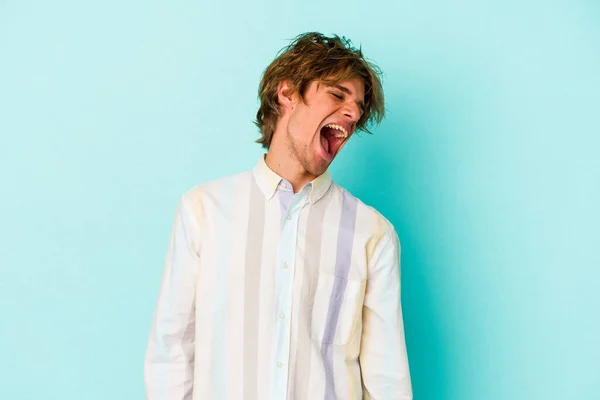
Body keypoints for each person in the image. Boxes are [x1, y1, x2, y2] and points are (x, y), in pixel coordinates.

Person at [144, 32, 413, 400]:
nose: (352, 115)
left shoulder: (373, 234)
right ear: (287, 94)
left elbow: (387, 380)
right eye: (337, 95)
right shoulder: (204, 211)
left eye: (358, 108)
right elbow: (171, 354)